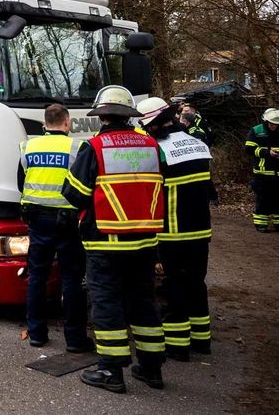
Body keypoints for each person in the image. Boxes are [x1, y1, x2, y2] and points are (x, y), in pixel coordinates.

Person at [63, 86, 167, 393]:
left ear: (102, 116)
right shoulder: (151, 145)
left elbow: (75, 194)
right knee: (143, 301)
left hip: (106, 242)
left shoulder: (94, 148)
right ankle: (151, 368)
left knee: (107, 303)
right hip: (145, 241)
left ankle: (111, 370)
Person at [137, 97, 216, 361]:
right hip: (200, 229)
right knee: (196, 283)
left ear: (156, 124)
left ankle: (177, 345)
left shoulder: (158, 150)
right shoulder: (197, 143)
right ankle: (201, 339)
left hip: (173, 231)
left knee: (173, 286)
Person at [16, 104, 91, 352]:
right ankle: (75, 339)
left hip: (36, 220)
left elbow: (22, 181)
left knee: (37, 276)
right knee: (71, 279)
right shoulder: (77, 147)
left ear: (44, 123)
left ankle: (37, 333)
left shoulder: (28, 146)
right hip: (68, 222)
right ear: (67, 122)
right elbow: (83, 186)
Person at [245, 108, 279, 232]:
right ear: (265, 121)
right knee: (263, 199)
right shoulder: (256, 131)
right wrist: (266, 152)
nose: (273, 126)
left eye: (276, 124)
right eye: (271, 124)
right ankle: (261, 224)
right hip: (263, 172)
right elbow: (249, 149)